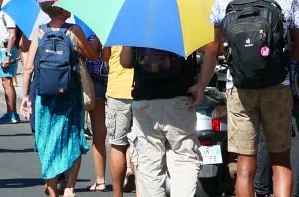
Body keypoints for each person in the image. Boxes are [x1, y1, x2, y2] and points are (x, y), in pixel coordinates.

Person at [210, 0, 299, 197]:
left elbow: (217, 47)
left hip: (238, 87)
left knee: (244, 166)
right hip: (278, 85)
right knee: (280, 161)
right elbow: (298, 50)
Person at [21, 3, 99, 197]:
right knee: (73, 137)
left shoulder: (39, 32)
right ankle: (70, 187)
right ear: (62, 10)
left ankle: (52, 188)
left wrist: (24, 96)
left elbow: (29, 67)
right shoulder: (74, 30)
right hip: (70, 94)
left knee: (47, 140)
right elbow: (93, 55)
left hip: (44, 96)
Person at [119, 41, 216, 197]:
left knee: (149, 163)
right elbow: (212, 48)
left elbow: (125, 62)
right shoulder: (185, 19)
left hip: (145, 99)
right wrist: (201, 85)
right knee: (184, 159)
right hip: (179, 99)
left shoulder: (137, 20)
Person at [105, 45, 137, 197]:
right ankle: (141, 192)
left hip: (118, 89)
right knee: (143, 147)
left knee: (118, 145)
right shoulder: (149, 21)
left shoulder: (114, 22)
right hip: (144, 89)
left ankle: (117, 194)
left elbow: (105, 55)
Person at [84, 32, 110, 192]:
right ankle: (128, 170)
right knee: (126, 132)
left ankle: (100, 180)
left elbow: (93, 53)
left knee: (99, 131)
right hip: (119, 80)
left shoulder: (88, 26)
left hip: (97, 78)